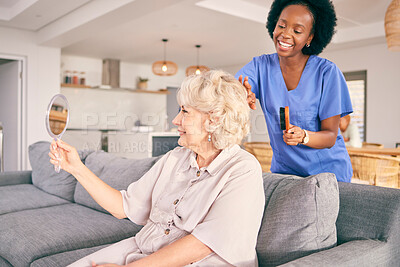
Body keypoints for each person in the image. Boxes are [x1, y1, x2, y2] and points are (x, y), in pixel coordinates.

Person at [49, 70, 265, 267]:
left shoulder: (243, 169)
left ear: (213, 120)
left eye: (184, 111)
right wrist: (76, 168)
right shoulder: (175, 158)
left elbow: (204, 245)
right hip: (146, 251)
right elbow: (122, 207)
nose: (175, 120)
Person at [235, 0, 353, 182]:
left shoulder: (327, 73)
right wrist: (242, 94)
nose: (285, 34)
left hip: (328, 174)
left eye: (297, 31)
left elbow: (330, 136)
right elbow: (235, 87)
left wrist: (304, 136)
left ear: (310, 38)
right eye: (281, 25)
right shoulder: (261, 66)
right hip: (285, 173)